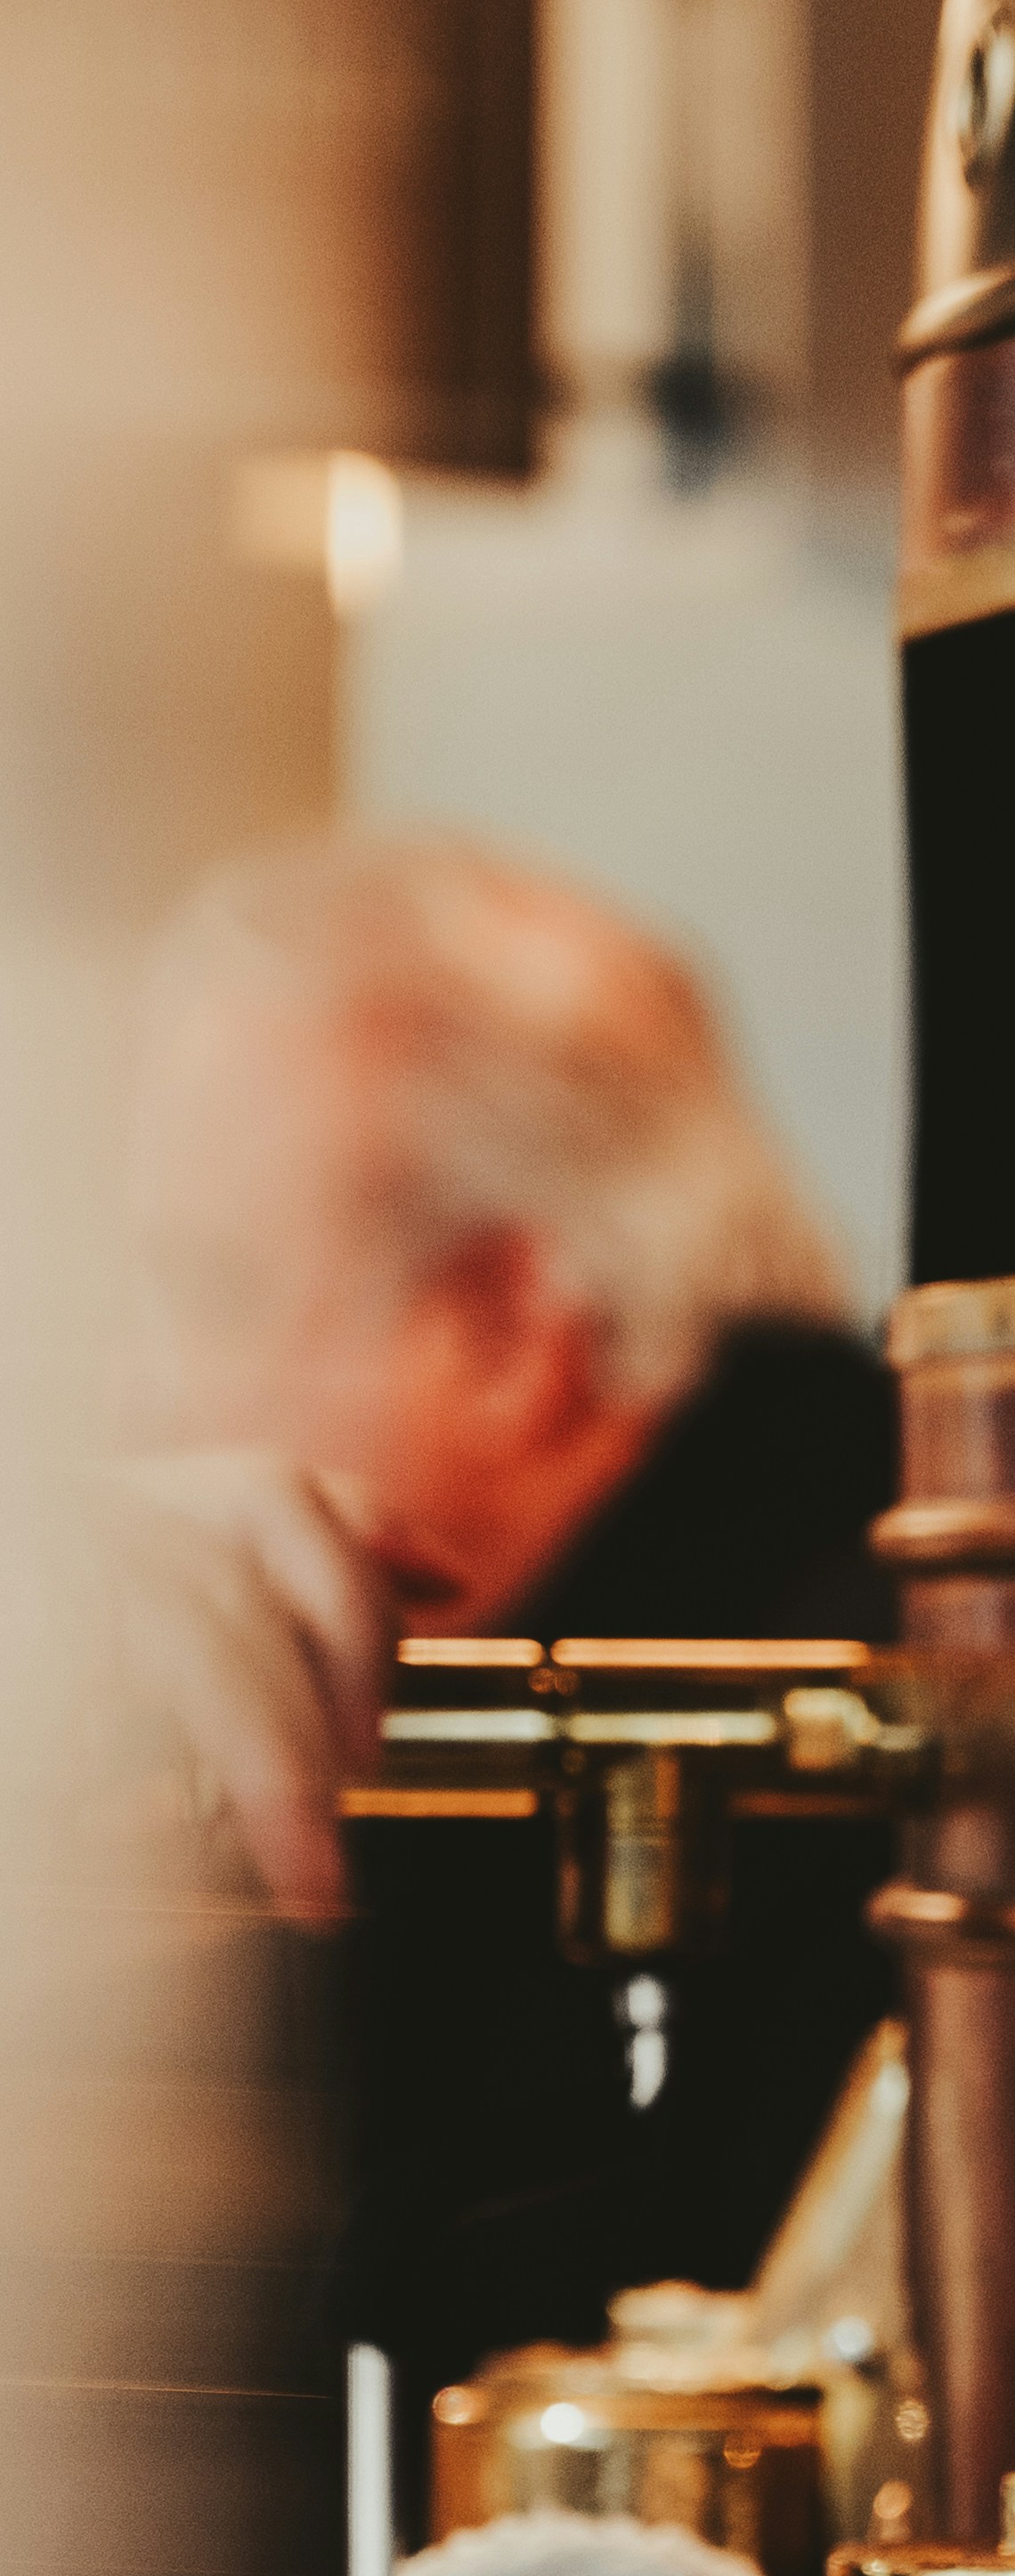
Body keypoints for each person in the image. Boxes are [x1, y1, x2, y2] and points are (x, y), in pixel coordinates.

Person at [113, 830, 902, 2432]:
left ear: (506, 1327)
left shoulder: (829, 1763)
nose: (153, 1404)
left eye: (215, 1291)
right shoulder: (879, 1550)